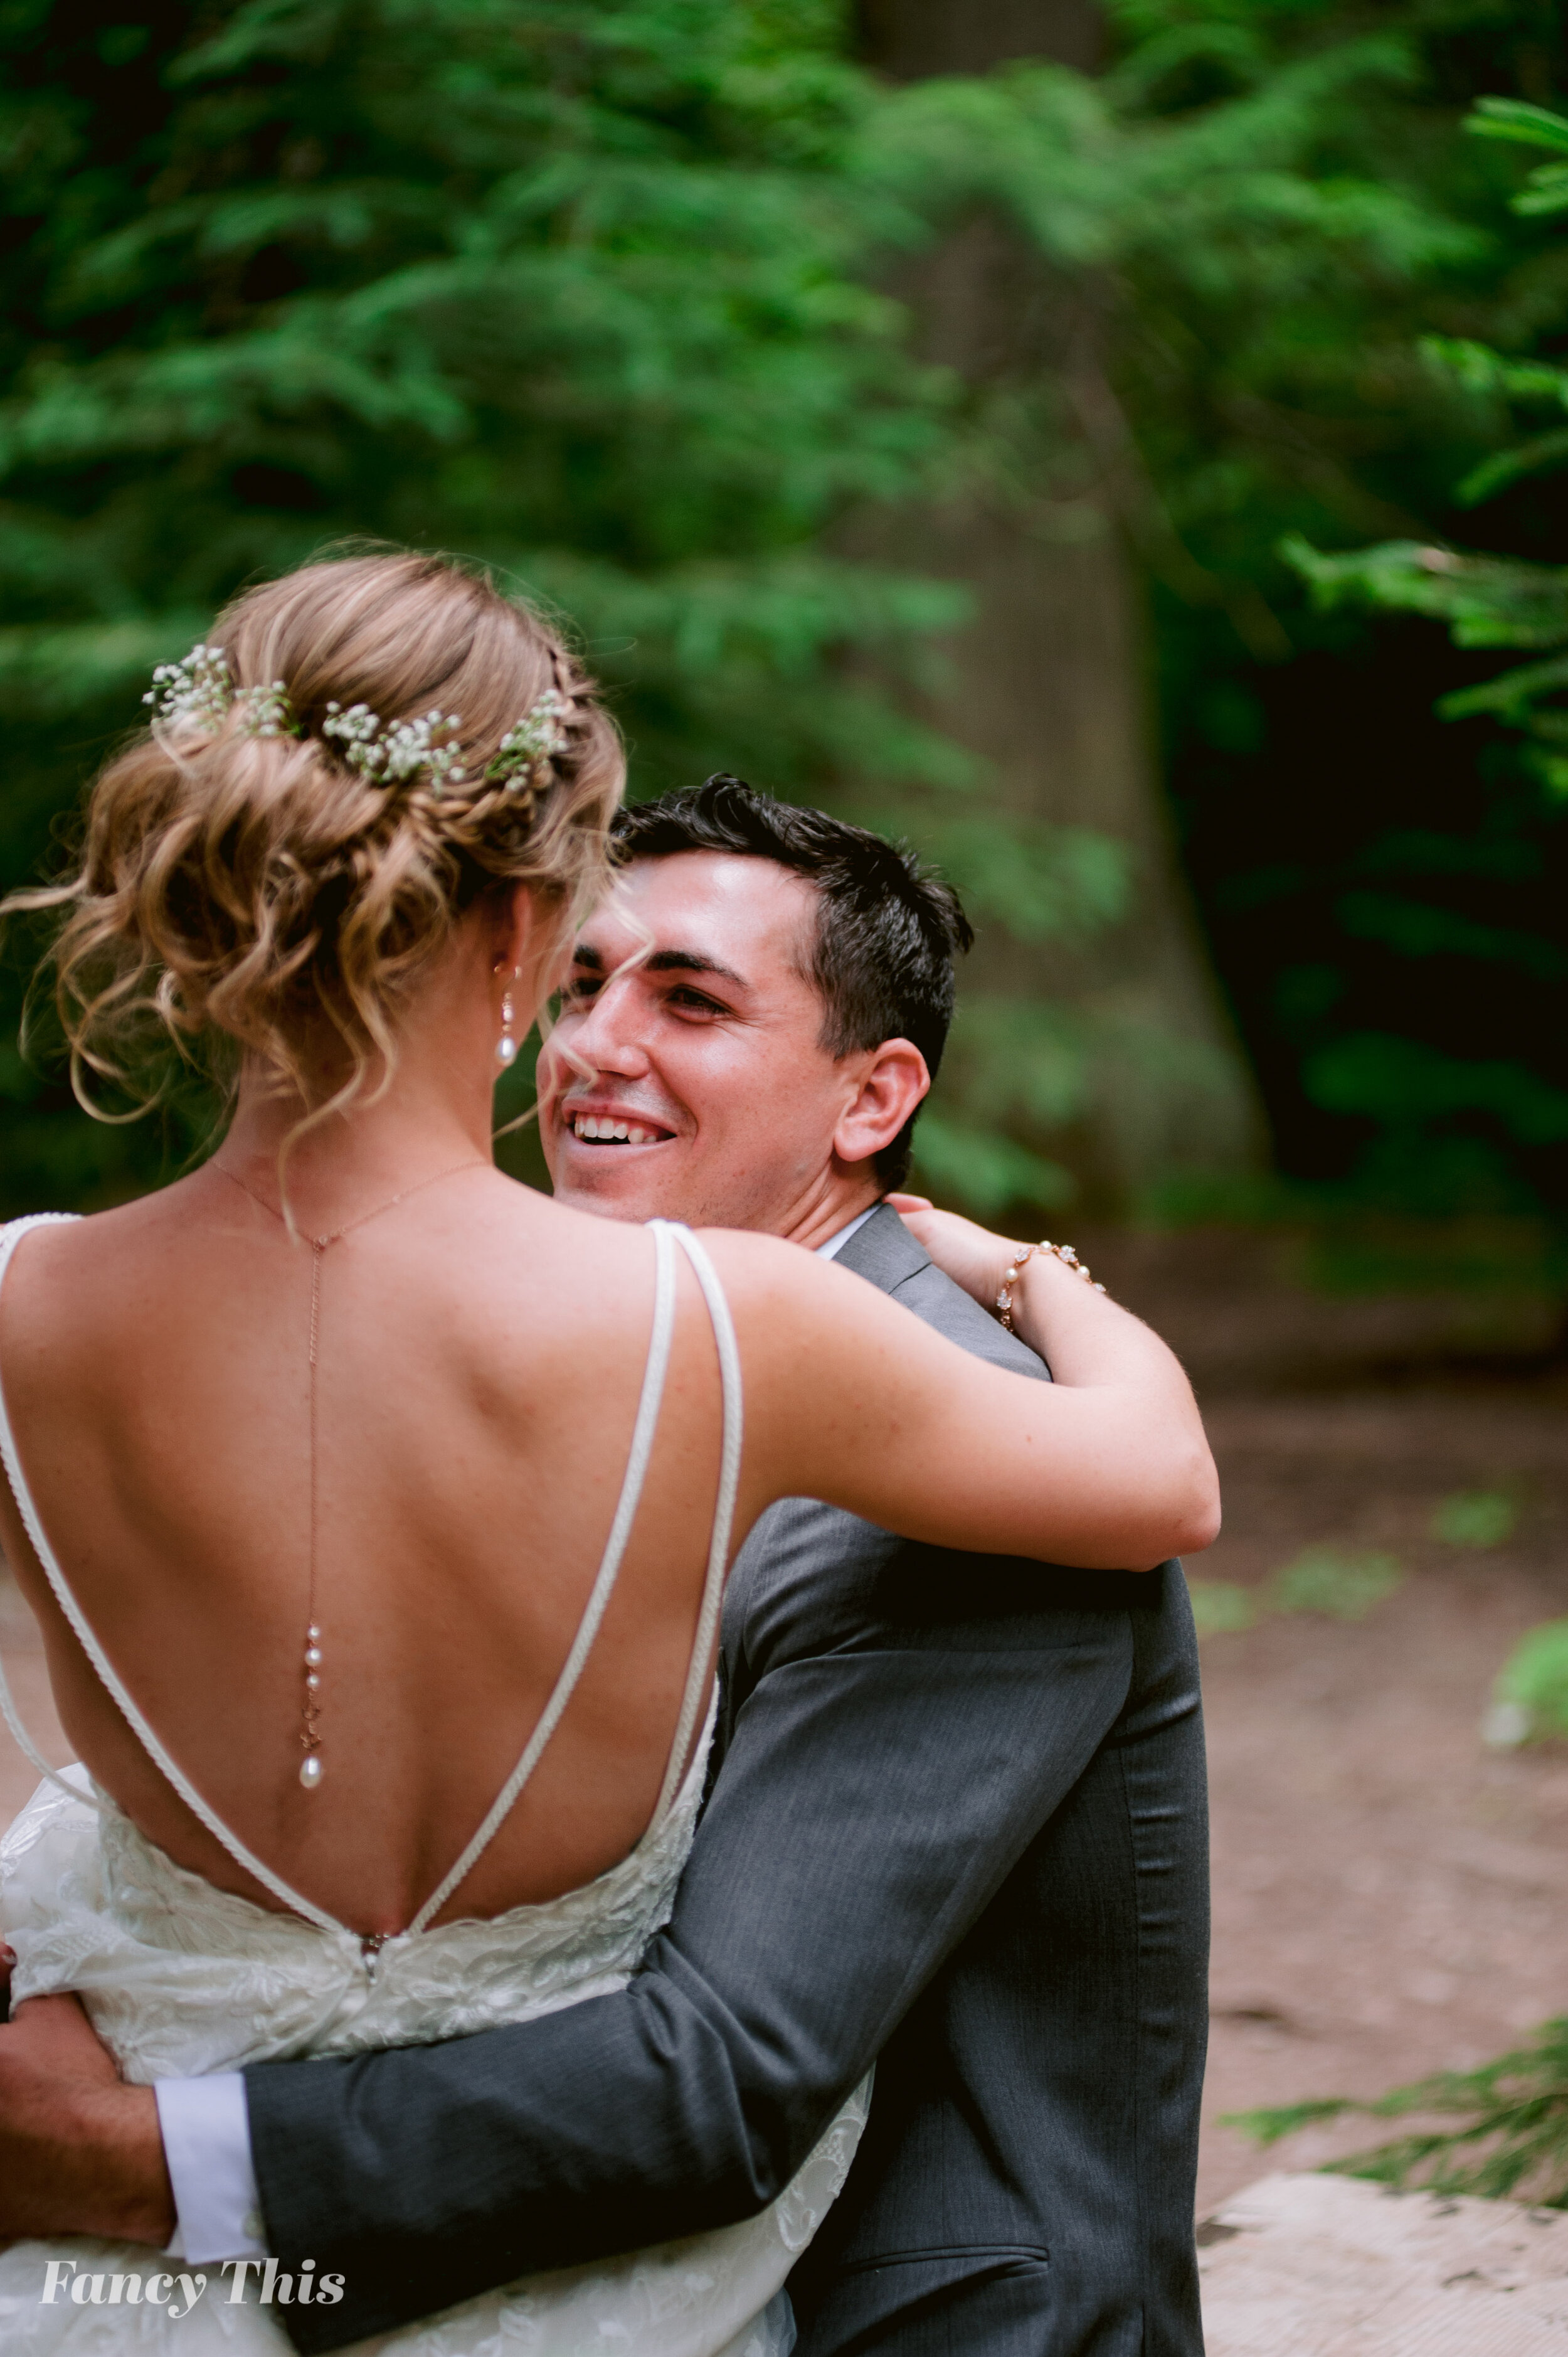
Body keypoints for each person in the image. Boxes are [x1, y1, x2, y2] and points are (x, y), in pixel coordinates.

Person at [0, 554, 1218, 2357]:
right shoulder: (728, 1332)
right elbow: (1161, 1475)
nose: (600, 1043)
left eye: (693, 1000)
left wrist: (105, 2152)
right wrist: (1041, 1270)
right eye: (584, 973)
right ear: (512, 942)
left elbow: (723, 2069)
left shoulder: (31, 1298)